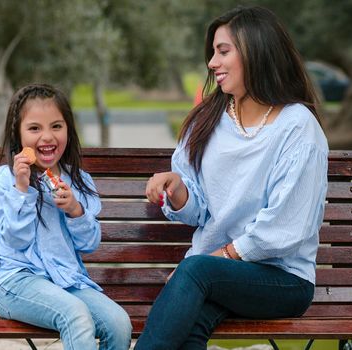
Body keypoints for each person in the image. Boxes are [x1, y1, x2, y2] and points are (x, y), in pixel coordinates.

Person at [135, 6, 328, 350]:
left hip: (282, 279)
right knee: (191, 328)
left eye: (223, 51)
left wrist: (216, 258)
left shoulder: (297, 128)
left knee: (195, 272)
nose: (212, 63)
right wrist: (179, 192)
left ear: (256, 52)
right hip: (215, 276)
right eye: (213, 52)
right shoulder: (206, 121)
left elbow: (284, 229)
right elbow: (200, 210)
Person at [0, 83, 132, 350]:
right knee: (75, 315)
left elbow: (89, 243)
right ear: (18, 134)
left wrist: (75, 211)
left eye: (56, 126)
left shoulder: (78, 181)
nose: (47, 137)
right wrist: (22, 190)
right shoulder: (5, 180)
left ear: (69, 131)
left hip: (65, 281)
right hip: (15, 282)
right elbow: (14, 241)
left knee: (118, 323)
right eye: (35, 128)